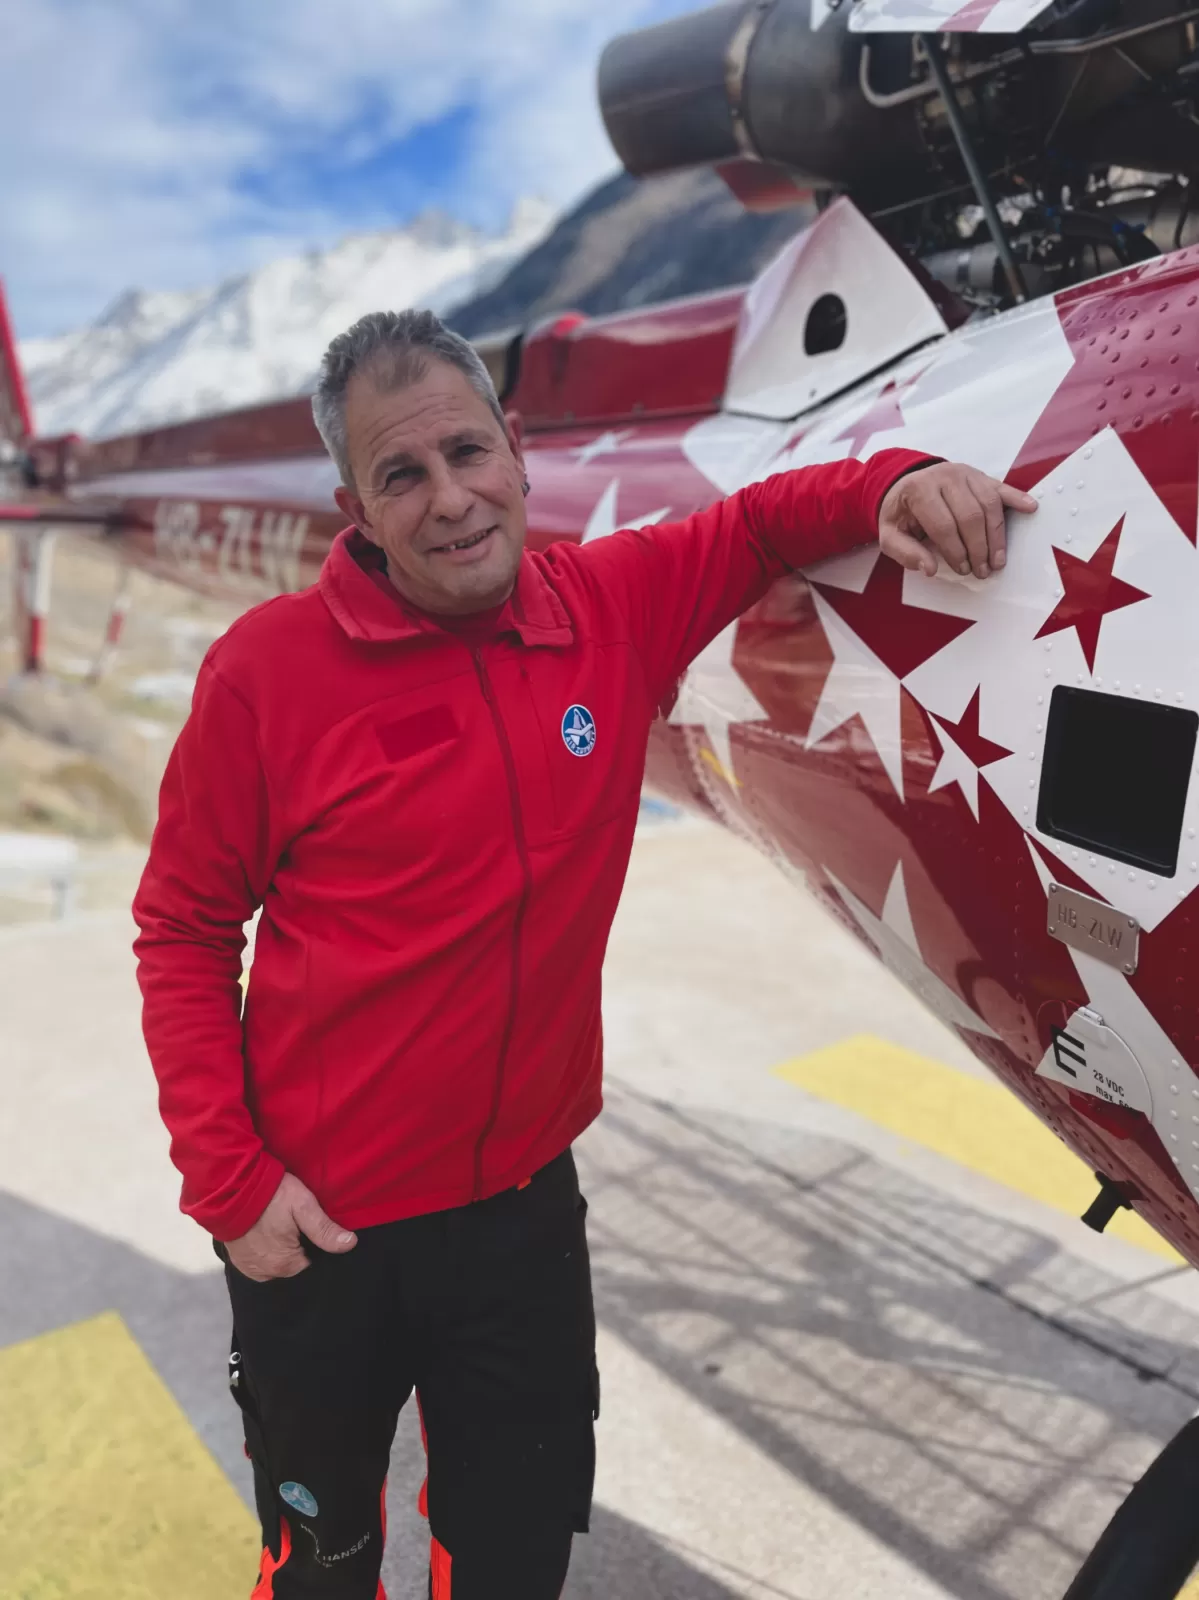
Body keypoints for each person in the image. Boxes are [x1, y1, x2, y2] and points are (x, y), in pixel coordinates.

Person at [132, 308, 1035, 1600]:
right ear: (357, 510)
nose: (451, 499)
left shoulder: (606, 606)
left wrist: (898, 481)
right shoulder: (266, 676)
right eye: (402, 475)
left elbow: (758, 524)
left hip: (519, 1214)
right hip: (323, 1224)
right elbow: (181, 926)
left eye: (467, 452)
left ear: (516, 451)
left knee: (513, 1553)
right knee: (322, 1563)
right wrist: (229, 1185)